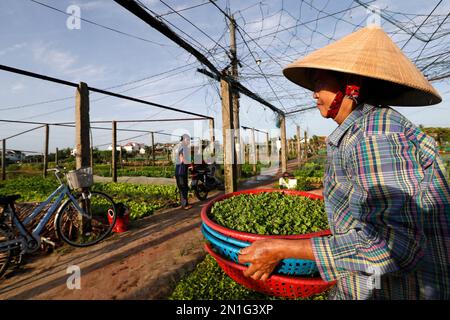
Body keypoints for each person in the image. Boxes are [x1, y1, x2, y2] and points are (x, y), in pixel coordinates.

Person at [238, 25, 450, 300]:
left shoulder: (373, 136)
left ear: (351, 86)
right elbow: (366, 193)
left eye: (318, 84)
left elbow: (397, 246)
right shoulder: (366, 129)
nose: (313, 94)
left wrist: (284, 248)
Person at [175, 134, 192, 210]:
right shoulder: (183, 147)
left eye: (189, 140)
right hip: (181, 171)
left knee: (183, 187)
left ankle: (184, 203)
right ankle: (184, 205)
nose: (189, 141)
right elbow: (182, 158)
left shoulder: (179, 146)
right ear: (184, 140)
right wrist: (189, 165)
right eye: (187, 140)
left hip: (179, 171)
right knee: (183, 187)